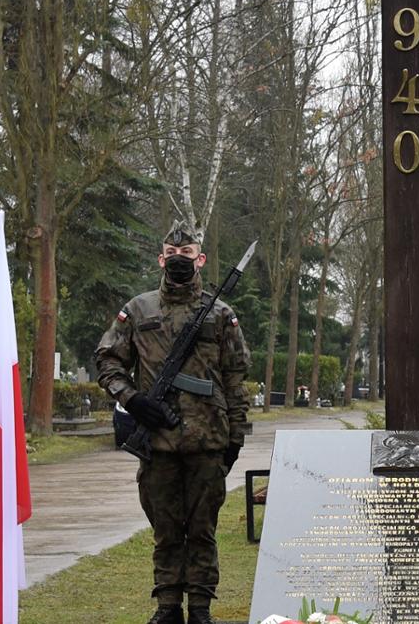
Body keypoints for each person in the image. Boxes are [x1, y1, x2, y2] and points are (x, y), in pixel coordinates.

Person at [94, 226, 251, 624]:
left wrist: (235, 438)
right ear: (161, 259)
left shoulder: (221, 315)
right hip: (158, 443)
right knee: (165, 530)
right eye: (171, 251)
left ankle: (200, 607)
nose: (179, 256)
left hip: (207, 442)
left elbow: (235, 379)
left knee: (202, 530)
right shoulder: (139, 309)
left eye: (187, 250)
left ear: (200, 259)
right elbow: (108, 360)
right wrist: (133, 400)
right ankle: (167, 607)